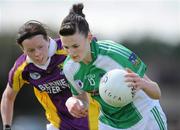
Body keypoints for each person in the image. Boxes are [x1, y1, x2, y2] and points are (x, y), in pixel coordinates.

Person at [59, 3, 167, 130]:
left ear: (89, 37)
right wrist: (72, 102)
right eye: (66, 47)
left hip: (145, 119)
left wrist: (142, 84)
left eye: (76, 46)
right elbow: (82, 100)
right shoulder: (69, 67)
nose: (71, 53)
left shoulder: (114, 55)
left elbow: (157, 93)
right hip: (110, 124)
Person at [1, 20, 99, 130]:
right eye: (31, 50)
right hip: (59, 125)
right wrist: (7, 126)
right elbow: (8, 97)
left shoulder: (67, 49)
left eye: (40, 47)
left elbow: (97, 49)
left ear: (48, 40)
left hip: (95, 121)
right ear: (23, 50)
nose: (37, 54)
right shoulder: (22, 69)